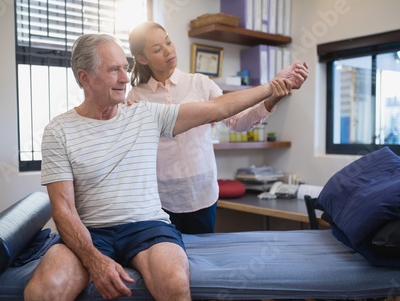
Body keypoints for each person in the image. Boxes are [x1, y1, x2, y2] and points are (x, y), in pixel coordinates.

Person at [23, 33, 294, 301]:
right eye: (114, 70)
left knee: (176, 285)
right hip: (90, 232)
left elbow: (217, 109)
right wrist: (94, 260)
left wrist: (272, 87)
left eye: (125, 68)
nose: (125, 78)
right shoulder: (58, 131)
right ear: (85, 78)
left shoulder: (145, 114)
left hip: (146, 226)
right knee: (41, 297)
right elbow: (63, 210)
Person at [127, 22, 309, 236]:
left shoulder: (200, 84)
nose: (168, 51)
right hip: (162, 199)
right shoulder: (135, 98)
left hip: (203, 194)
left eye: (168, 41)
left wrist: (272, 99)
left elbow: (238, 122)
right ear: (142, 58)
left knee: (204, 262)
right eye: (157, 49)